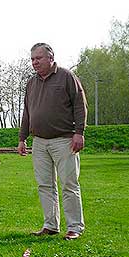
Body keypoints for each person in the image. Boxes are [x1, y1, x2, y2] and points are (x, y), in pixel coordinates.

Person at [18, 43, 87, 240]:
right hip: (39, 142)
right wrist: (22, 138)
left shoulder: (66, 77)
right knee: (44, 185)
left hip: (64, 140)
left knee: (68, 184)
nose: (34, 62)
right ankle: (50, 224)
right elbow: (27, 112)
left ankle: (74, 227)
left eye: (38, 58)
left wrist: (79, 132)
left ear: (50, 58)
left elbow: (80, 106)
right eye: (32, 59)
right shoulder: (31, 83)